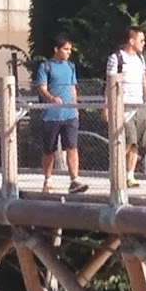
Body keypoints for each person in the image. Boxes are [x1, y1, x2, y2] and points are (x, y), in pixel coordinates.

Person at [34, 34, 88, 194]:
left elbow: (73, 88)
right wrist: (51, 98)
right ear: (56, 49)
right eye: (65, 49)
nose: (68, 52)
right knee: (49, 149)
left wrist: (75, 107)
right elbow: (42, 87)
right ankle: (48, 179)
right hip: (51, 115)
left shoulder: (71, 66)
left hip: (69, 115)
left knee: (72, 147)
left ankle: (74, 180)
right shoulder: (45, 67)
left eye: (70, 49)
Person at [105, 25, 146, 187]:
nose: (144, 43)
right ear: (131, 40)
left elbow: (144, 82)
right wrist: (107, 107)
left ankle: (129, 174)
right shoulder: (116, 58)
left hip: (138, 105)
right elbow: (109, 84)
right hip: (123, 107)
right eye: (141, 40)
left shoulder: (140, 59)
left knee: (136, 143)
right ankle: (115, 169)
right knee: (128, 140)